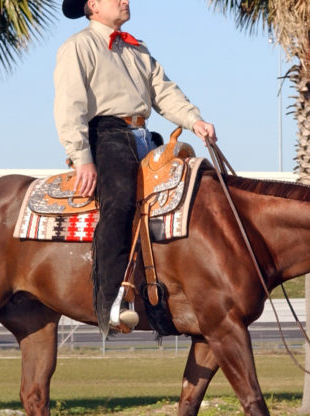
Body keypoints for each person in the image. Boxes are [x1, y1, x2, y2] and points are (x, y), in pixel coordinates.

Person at [54, 0, 217, 336]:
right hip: (106, 134)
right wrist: (82, 158)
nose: (125, 0)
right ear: (93, 5)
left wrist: (194, 120)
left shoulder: (138, 49)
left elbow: (164, 92)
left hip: (146, 135)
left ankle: (163, 296)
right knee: (121, 204)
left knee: (181, 200)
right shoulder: (78, 47)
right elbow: (70, 105)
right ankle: (111, 303)